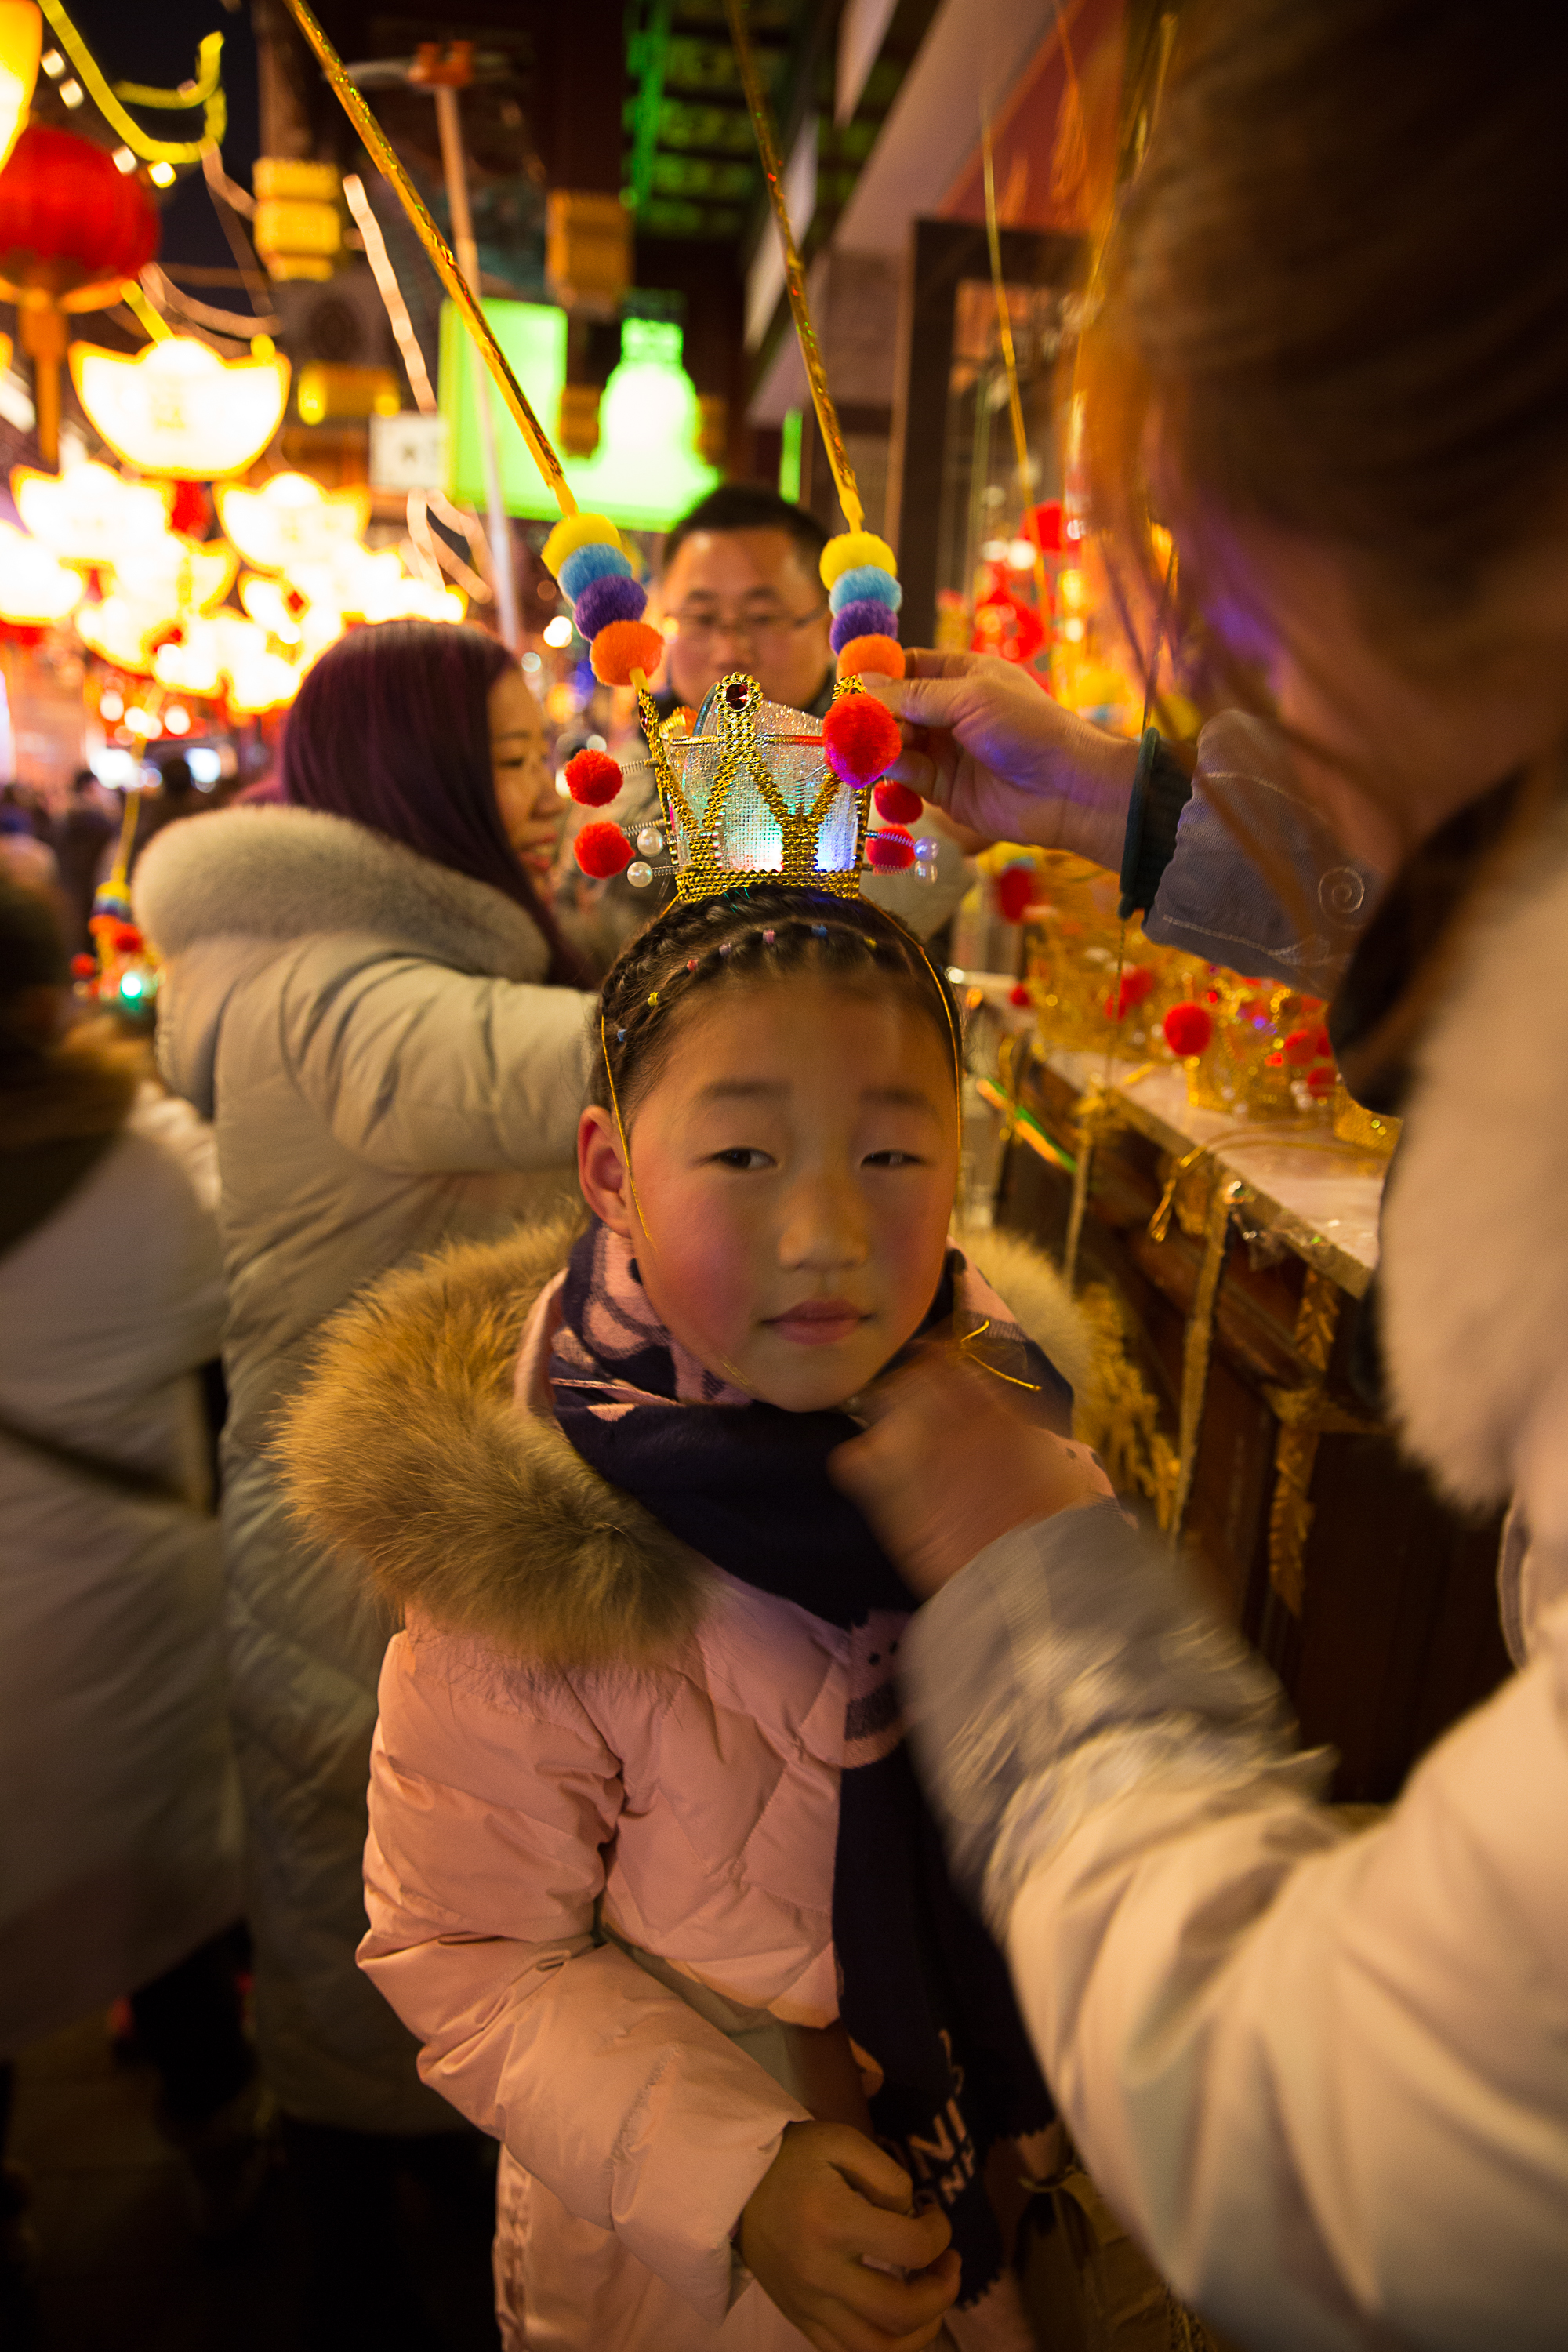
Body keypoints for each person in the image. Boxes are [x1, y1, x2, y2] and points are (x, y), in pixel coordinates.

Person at [829, 2, 1568, 2345]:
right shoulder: (718, 753)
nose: (1239, 691)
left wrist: (1034, 1597)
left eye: (1245, 622)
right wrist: (1106, 801)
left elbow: (1348, 2143)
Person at [274, 886, 1093, 2351]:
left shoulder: (1010, 1436)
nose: (830, 1230)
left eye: (892, 1151)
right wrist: (741, 2175)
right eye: (743, 1153)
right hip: (684, 2265)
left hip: (994, 2166)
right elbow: (466, 1951)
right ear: (610, 1169)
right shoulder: (531, 1563)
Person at [132, 619, 597, 2350]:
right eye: (509, 759)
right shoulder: (350, 994)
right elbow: (583, 1057)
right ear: (412, 778)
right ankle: (387, 2276)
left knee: (381, 1921)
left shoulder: (317, 960)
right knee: (392, 1935)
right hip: (357, 1549)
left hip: (347, 1517)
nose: (548, 793)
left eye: (548, 750)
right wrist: (781, 858)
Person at [0, 880, 258, 2261]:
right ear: (50, 997)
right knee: (156, 1894)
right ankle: (217, 2123)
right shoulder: (144, 1157)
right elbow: (233, 1290)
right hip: (117, 1596)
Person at [560, 483, 972, 973]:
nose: (730, 650)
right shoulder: (625, 783)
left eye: (762, 617)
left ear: (828, 628)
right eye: (701, 617)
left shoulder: (903, 770)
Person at [52, 768, 115, 954]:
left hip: (70, 893)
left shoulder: (62, 819)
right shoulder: (100, 822)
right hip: (97, 894)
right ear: (90, 787)